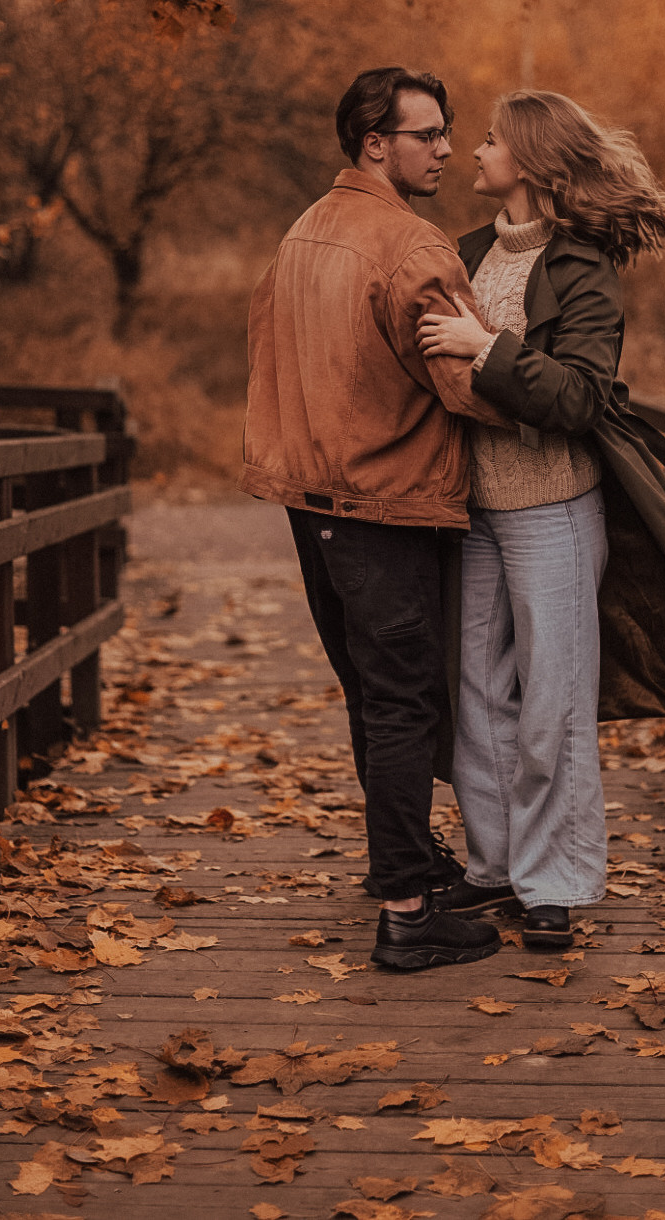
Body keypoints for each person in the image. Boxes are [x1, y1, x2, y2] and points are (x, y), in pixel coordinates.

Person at [417, 90, 665, 951]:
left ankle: (555, 881)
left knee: (552, 703)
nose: (473, 150)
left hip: (552, 509)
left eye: (492, 140)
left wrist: (488, 348)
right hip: (470, 510)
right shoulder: (464, 254)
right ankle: (495, 865)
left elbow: (579, 396)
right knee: (476, 695)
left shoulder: (582, 267)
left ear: (532, 163)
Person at [241, 66, 513, 971]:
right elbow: (471, 389)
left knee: (372, 696)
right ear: (374, 144)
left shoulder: (302, 233)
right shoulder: (411, 247)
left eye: (447, 133)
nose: (444, 149)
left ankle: (402, 864)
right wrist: (540, 379)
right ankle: (407, 913)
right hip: (387, 503)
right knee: (404, 702)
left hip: (313, 502)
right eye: (426, 134)